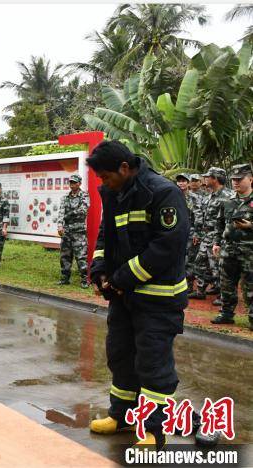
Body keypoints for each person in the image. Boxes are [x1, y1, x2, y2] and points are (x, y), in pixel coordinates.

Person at [87, 141, 189, 449]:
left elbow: (166, 247)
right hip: (124, 295)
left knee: (153, 364)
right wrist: (100, 269)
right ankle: (122, 417)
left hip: (158, 298)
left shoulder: (162, 192)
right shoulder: (115, 193)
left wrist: (121, 278)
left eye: (106, 177)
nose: (103, 183)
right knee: (120, 356)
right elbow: (107, 235)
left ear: (124, 168)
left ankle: (154, 431)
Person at [211, 163, 253, 328]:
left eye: (239, 179)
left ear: (250, 179)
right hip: (228, 250)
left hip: (249, 252)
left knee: (251, 285)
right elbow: (219, 223)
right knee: (226, 284)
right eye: (233, 179)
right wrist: (216, 243)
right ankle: (226, 314)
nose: (235, 182)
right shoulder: (228, 200)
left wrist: (250, 226)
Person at [189, 167, 233, 301]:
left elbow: (229, 221)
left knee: (218, 268)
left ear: (215, 179)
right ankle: (200, 291)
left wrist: (221, 240)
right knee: (198, 264)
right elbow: (203, 216)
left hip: (219, 237)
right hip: (206, 235)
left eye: (208, 177)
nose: (205, 179)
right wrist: (199, 233)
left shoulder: (228, 196)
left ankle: (223, 296)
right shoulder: (210, 195)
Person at [56, 174, 90, 288]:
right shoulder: (65, 197)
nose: (72, 184)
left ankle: (84, 280)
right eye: (70, 182)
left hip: (79, 231)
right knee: (65, 256)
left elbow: (83, 210)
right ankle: (65, 278)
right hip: (67, 231)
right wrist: (60, 225)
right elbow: (61, 212)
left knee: (81, 257)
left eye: (74, 182)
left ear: (79, 183)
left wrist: (70, 214)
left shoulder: (84, 195)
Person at [175, 173, 201, 288]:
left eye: (183, 181)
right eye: (179, 181)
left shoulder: (193, 198)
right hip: (177, 231)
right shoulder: (173, 195)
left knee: (189, 259)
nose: (181, 183)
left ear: (188, 183)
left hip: (190, 232)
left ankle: (189, 285)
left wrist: (197, 232)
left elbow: (199, 216)